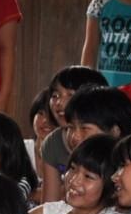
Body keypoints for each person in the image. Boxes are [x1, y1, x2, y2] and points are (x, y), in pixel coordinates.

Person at [38, 66, 108, 202]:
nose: (59, 103)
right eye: (55, 96)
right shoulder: (53, 142)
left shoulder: (108, 140)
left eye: (70, 95)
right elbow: (49, 203)